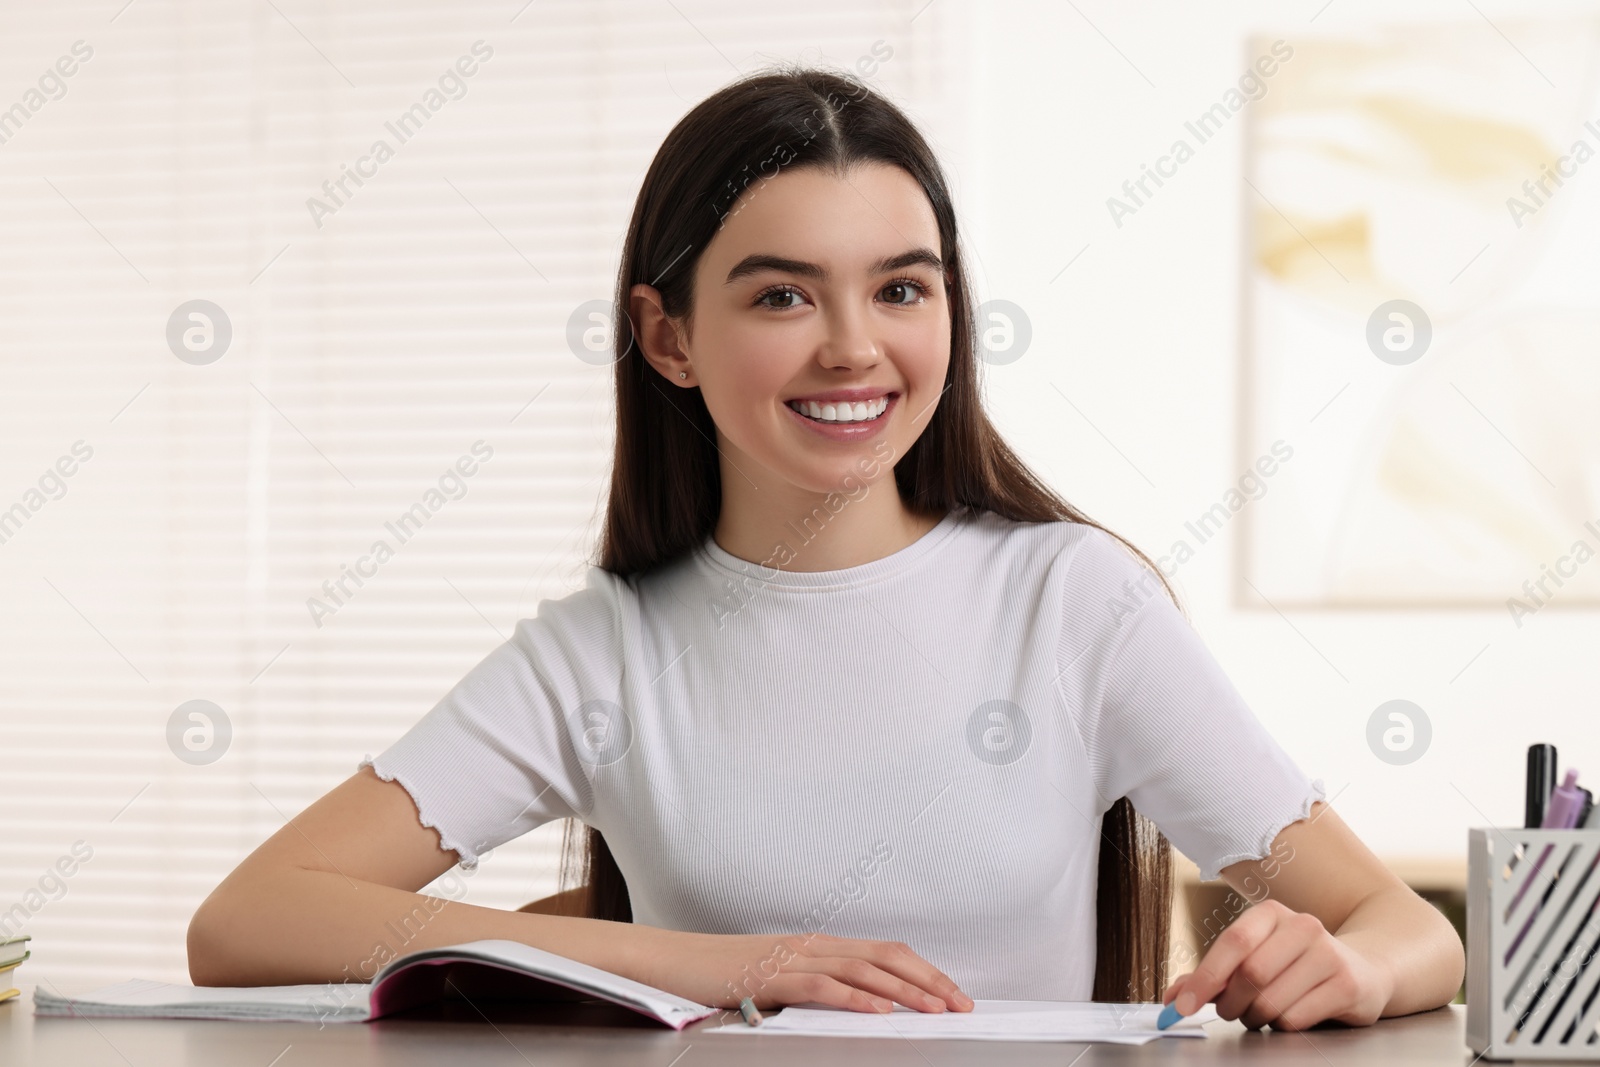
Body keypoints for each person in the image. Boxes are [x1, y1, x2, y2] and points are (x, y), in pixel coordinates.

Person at [188, 66, 1464, 1031]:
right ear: (669, 337)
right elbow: (246, 920)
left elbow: (1406, 926)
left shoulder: (1071, 602)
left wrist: (1347, 965)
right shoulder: (607, 651)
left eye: (901, 288)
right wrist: (700, 956)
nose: (854, 345)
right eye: (782, 294)